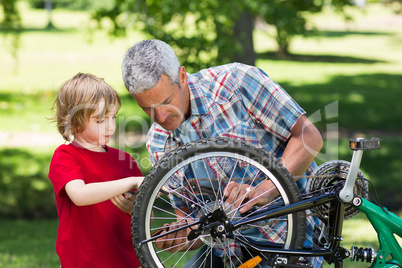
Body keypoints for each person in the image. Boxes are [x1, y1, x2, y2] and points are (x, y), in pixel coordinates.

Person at [122, 39, 324, 267]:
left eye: (166, 101)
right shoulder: (158, 142)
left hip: (289, 238)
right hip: (228, 251)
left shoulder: (237, 83)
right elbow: (190, 222)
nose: (160, 117)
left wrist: (265, 190)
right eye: (146, 108)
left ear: (182, 77)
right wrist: (175, 235)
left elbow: (309, 137)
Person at [48, 73, 143, 268]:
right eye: (100, 121)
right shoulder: (66, 156)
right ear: (73, 122)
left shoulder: (125, 160)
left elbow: (145, 213)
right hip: (83, 261)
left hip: (124, 259)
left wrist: (134, 208)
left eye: (113, 117)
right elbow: (80, 195)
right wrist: (131, 182)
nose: (110, 126)